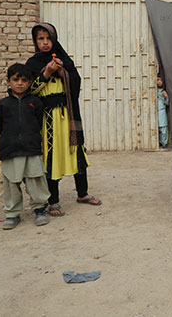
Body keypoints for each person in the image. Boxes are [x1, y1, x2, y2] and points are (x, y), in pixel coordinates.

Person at [26, 23, 101, 217]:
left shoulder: (64, 60)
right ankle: (54, 201)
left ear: (54, 39)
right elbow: (30, 90)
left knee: (77, 152)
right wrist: (47, 73)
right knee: (52, 156)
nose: (45, 42)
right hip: (48, 118)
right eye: (40, 39)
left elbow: (76, 84)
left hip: (68, 114)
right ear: (35, 41)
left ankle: (82, 194)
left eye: (48, 38)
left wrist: (62, 73)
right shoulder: (32, 64)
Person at [0, 63, 50, 230]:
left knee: (35, 179)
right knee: (11, 182)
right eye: (15, 79)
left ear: (30, 82)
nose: (20, 83)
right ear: (8, 82)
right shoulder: (2, 105)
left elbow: (40, 122)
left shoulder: (35, 102)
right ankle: (12, 214)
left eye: (24, 80)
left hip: (31, 148)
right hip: (9, 150)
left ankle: (40, 209)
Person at [157, 74, 170, 149]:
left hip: (162, 112)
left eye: (160, 80)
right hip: (155, 112)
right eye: (157, 80)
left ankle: (164, 143)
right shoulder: (154, 91)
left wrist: (166, 97)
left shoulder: (164, 91)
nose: (158, 82)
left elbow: (167, 103)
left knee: (163, 129)